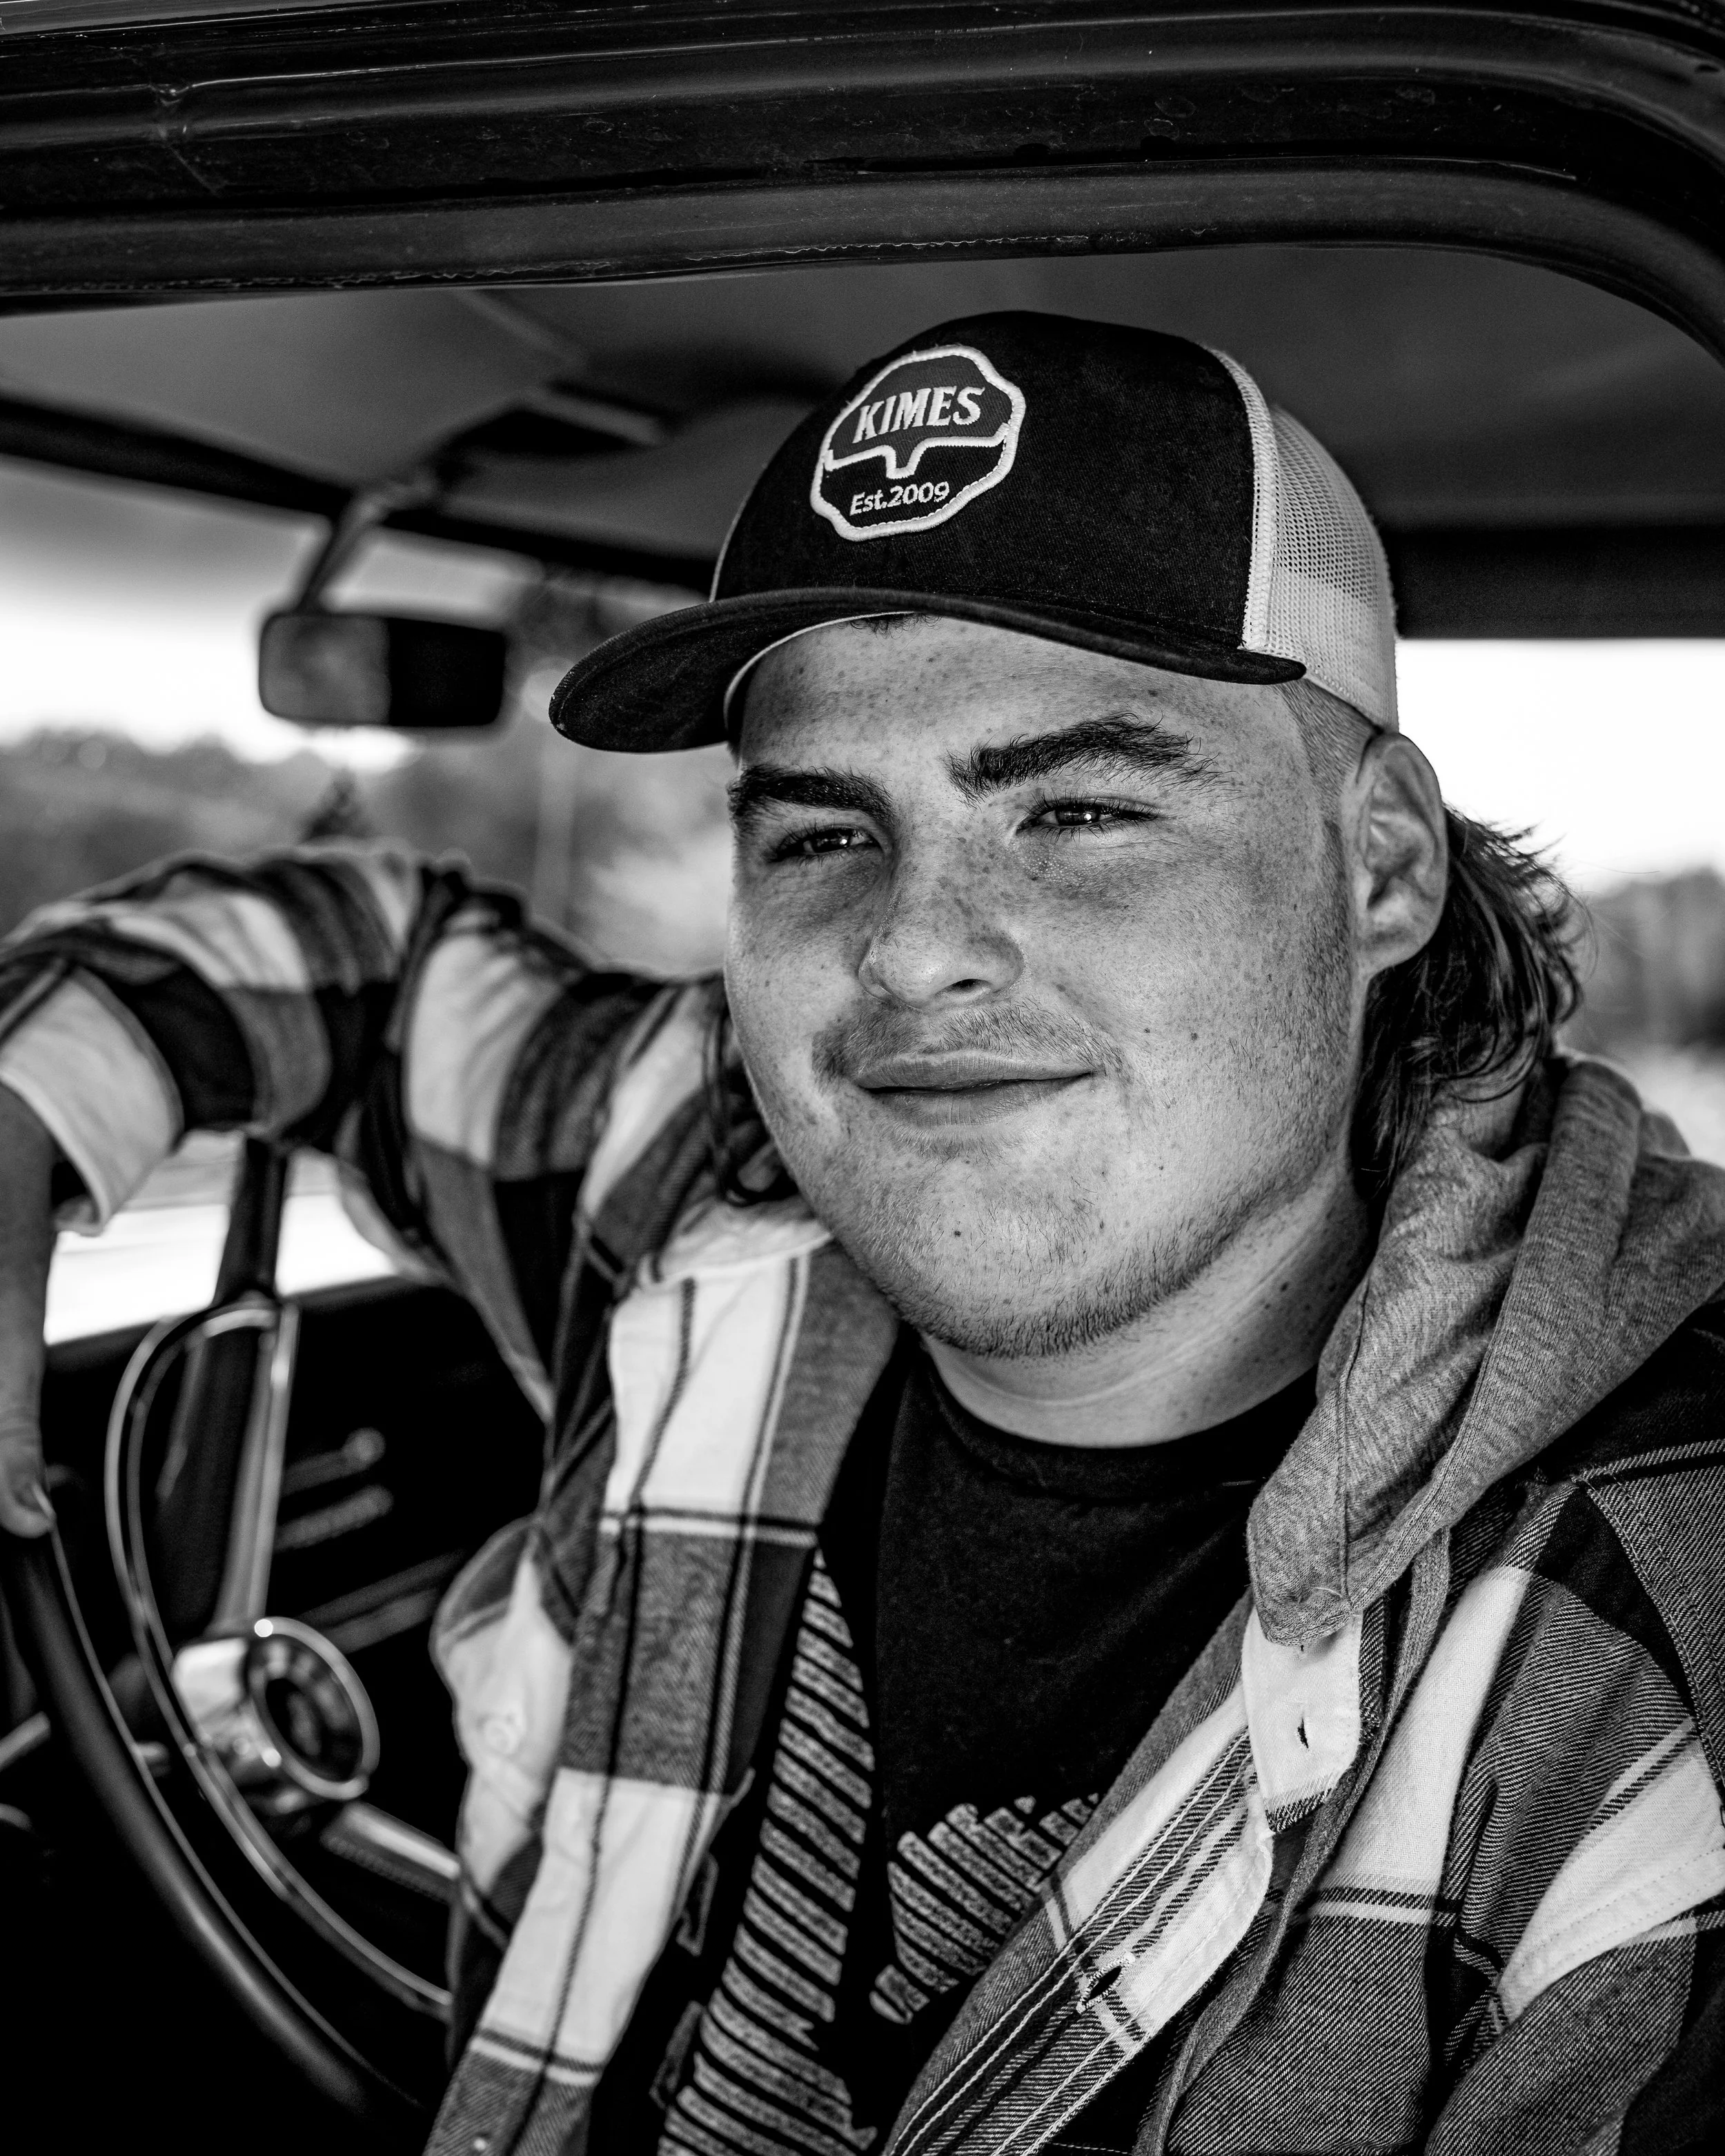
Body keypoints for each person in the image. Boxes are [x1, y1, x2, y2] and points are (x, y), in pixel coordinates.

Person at [1, 312, 1723, 2156]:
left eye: (1077, 809)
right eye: (823, 835)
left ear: (1376, 866)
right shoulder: (692, 1170)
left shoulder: (1634, 1640)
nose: (910, 946)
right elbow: (340, 959)